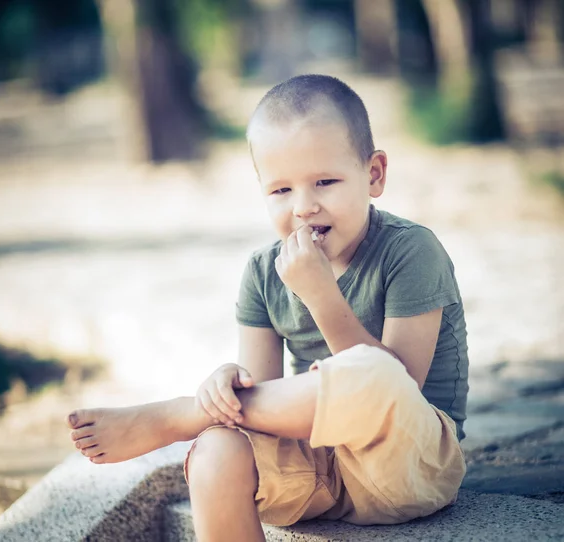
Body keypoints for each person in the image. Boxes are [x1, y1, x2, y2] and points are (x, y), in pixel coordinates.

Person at [67, 74, 468, 541]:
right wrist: (226, 385)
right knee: (218, 446)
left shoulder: (411, 251)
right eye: (281, 190)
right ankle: (201, 417)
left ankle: (180, 417)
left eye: (325, 181)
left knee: (377, 374)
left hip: (409, 466)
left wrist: (320, 296)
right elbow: (261, 401)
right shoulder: (262, 272)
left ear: (374, 174)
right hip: (315, 471)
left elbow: (400, 387)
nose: (304, 207)